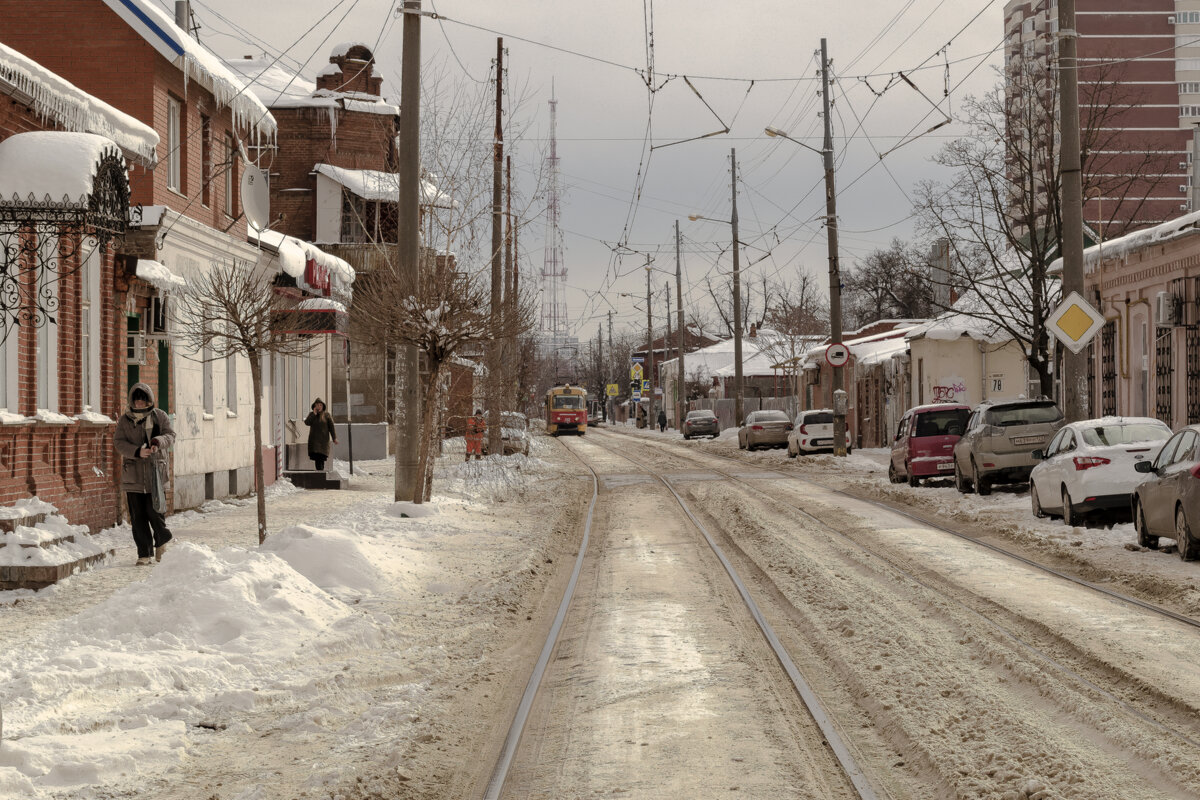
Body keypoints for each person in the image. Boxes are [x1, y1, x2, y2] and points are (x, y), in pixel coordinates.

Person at [114, 383, 175, 566]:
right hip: (133, 475)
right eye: (137, 401)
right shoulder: (125, 420)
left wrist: (157, 442)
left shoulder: (159, 416)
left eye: (143, 400)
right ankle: (144, 553)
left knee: (155, 512)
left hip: (156, 472)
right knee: (138, 516)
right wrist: (136, 451)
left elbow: (171, 435)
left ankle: (162, 542)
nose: (140, 404)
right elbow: (119, 442)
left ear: (149, 400)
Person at [304, 398, 338, 471]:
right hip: (314, 441)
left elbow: (331, 427)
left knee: (321, 458)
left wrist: (334, 438)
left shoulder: (327, 415)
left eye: (320, 405)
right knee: (317, 459)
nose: (318, 406)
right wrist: (314, 414)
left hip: (323, 441)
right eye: (317, 405)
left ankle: (320, 473)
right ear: (314, 406)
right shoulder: (312, 414)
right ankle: (320, 473)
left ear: (323, 406)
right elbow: (307, 422)